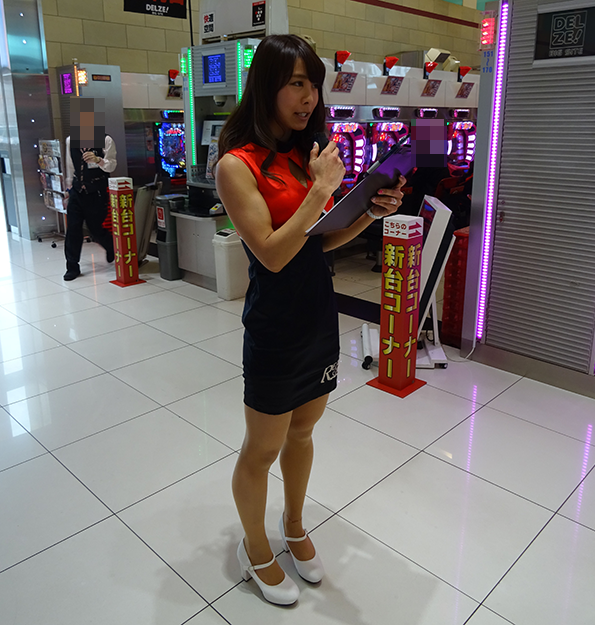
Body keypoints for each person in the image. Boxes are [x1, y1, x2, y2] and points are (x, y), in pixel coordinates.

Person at [215, 35, 405, 606]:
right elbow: (273, 254)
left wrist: (367, 212)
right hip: (274, 326)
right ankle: (255, 547)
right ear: (267, 86)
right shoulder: (236, 166)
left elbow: (316, 243)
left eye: (314, 85)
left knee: (303, 432)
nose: (309, 97)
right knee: (261, 449)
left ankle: (294, 526)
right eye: (297, 83)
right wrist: (322, 189)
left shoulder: (304, 155)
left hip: (319, 317)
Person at [63, 97, 116, 281]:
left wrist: (99, 160)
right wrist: (68, 188)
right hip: (77, 191)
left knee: (95, 228)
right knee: (73, 229)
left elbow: (112, 165)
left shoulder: (106, 140)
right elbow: (70, 166)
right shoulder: (71, 141)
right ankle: (72, 266)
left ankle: (111, 246)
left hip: (97, 192)